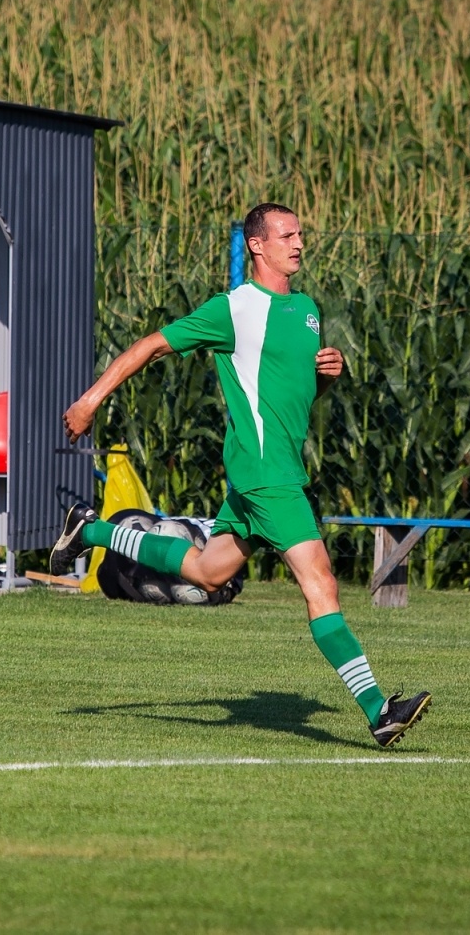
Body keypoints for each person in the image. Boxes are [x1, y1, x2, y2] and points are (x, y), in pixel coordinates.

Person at [51, 202, 431, 748]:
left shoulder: (306, 309)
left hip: (274, 472)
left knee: (207, 572)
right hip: (266, 475)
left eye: (301, 233)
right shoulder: (235, 308)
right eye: (287, 235)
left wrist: (328, 377)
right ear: (257, 245)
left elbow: (293, 398)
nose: (299, 243)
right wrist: (89, 401)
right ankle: (378, 710)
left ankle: (90, 530)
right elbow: (152, 345)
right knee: (320, 581)